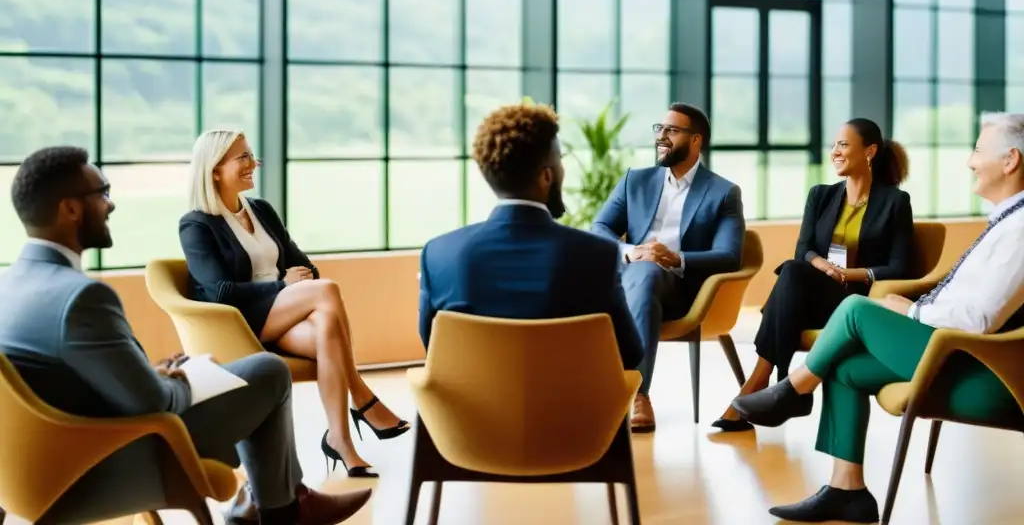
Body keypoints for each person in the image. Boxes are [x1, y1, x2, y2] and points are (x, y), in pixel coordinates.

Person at [0, 146, 372, 525]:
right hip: (111, 463)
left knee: (255, 373)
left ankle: (272, 503)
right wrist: (185, 378)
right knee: (269, 372)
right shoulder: (83, 298)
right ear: (70, 210)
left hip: (30, 471)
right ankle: (282, 507)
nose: (111, 206)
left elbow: (71, 381)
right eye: (103, 193)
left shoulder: (6, 286)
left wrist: (151, 373)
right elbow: (156, 401)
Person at [731, 112, 1024, 523]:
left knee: (854, 310)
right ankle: (845, 489)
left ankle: (793, 388)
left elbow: (978, 319)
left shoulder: (1020, 229)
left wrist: (914, 308)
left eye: (977, 150)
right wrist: (914, 307)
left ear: (1010, 160)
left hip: (984, 370)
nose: (969, 161)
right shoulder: (1008, 220)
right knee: (844, 365)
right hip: (951, 348)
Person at [179, 130, 408, 480]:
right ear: (213, 170)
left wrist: (294, 285)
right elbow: (219, 291)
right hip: (242, 323)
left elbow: (307, 267)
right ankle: (361, 397)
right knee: (327, 291)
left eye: (251, 155)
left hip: (285, 318)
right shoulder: (196, 224)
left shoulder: (261, 211)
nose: (252, 163)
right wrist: (281, 286)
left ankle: (341, 441)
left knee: (326, 328)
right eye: (242, 157)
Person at [714, 119, 915, 431]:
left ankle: (765, 382)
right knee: (794, 271)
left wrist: (851, 273)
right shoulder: (821, 195)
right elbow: (804, 248)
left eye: (844, 145)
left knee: (790, 279)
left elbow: (901, 266)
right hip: (818, 292)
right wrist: (823, 266)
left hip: (858, 299)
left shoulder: (895, 202)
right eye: (834, 145)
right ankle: (778, 385)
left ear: (870, 151)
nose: (835, 151)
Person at [419, 102, 643, 370]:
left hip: (471, 412)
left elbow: (432, 345)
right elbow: (630, 354)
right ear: (546, 176)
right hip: (573, 411)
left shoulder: (438, 254)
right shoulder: (597, 254)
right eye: (560, 160)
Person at [592, 103, 745, 432]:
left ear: (695, 141)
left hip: (679, 290)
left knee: (647, 274)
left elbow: (729, 255)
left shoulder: (723, 193)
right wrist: (632, 251)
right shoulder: (636, 180)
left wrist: (675, 258)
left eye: (672, 131)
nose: (661, 136)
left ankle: (637, 393)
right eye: (659, 129)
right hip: (629, 276)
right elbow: (600, 229)